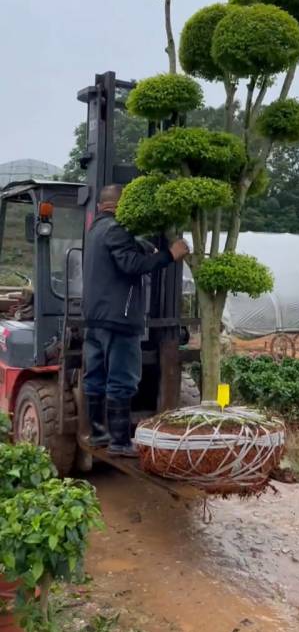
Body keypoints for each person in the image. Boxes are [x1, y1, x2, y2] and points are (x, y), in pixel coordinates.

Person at [82, 184, 189, 457]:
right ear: (121, 206)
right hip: (121, 318)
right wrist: (169, 255)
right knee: (122, 378)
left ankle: (98, 434)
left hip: (95, 318)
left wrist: (142, 245)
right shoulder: (117, 229)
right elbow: (130, 264)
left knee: (94, 376)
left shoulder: (95, 230)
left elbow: (123, 250)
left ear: (100, 207)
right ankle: (119, 441)